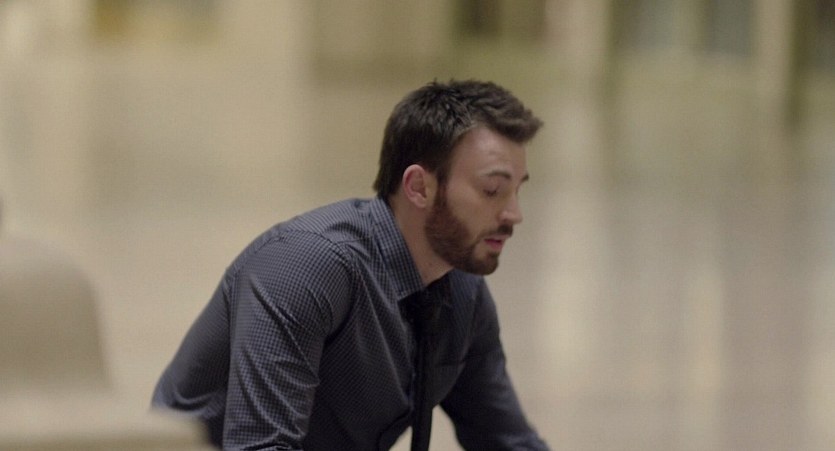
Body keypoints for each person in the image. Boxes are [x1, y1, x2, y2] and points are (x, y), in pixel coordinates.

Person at [152, 79, 549, 450]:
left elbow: (507, 440)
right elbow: (260, 446)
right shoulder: (306, 267)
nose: (514, 214)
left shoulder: (462, 293)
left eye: (517, 191)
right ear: (418, 187)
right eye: (493, 190)